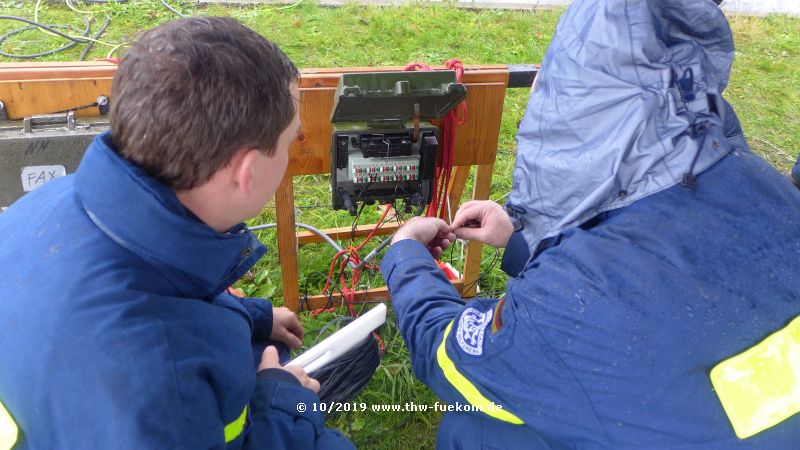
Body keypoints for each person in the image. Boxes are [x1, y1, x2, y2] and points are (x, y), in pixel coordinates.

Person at [381, 0, 800, 448]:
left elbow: (451, 357)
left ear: (566, 119)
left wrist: (405, 254)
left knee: (476, 422)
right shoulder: (769, 186)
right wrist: (520, 235)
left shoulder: (564, 305)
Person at [0, 17, 353, 449]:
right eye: (289, 142)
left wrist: (249, 317)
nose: (291, 154)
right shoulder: (160, 385)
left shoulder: (55, 200)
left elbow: (158, 278)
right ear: (248, 170)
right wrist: (280, 402)